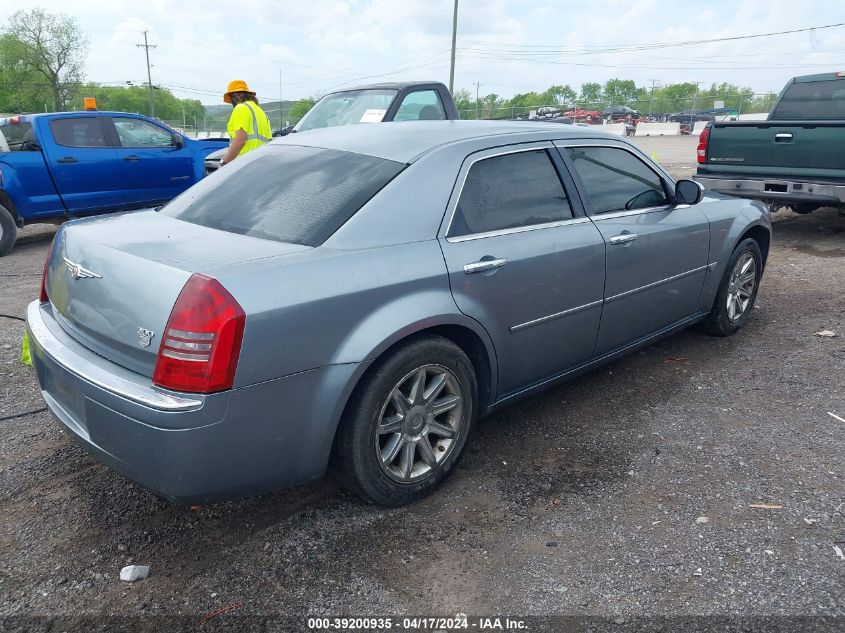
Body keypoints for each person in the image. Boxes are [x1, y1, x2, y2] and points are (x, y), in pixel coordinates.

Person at [220, 80, 273, 166]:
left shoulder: (241, 108)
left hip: (244, 163)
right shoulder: (261, 112)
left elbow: (240, 141)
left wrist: (224, 163)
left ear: (234, 96)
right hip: (261, 163)